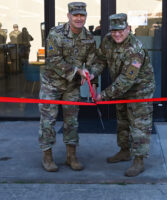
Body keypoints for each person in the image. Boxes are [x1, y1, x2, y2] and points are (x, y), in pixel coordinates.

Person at [88, 13, 155, 177]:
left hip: (139, 90)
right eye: (113, 31)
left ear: (128, 29)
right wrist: (92, 75)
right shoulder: (108, 41)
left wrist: (103, 95)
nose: (117, 34)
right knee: (123, 121)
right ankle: (124, 151)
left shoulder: (136, 49)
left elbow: (127, 80)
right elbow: (100, 60)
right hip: (120, 89)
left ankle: (139, 160)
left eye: (121, 31)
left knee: (139, 125)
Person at [39, 2, 96, 172]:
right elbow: (53, 60)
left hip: (72, 87)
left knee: (72, 122)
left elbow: (92, 61)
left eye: (82, 15)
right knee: (48, 122)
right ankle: (47, 157)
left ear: (85, 16)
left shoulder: (89, 38)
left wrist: (90, 73)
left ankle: (71, 156)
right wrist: (78, 70)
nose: (79, 18)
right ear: (68, 16)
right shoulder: (55, 34)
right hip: (52, 84)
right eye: (75, 15)